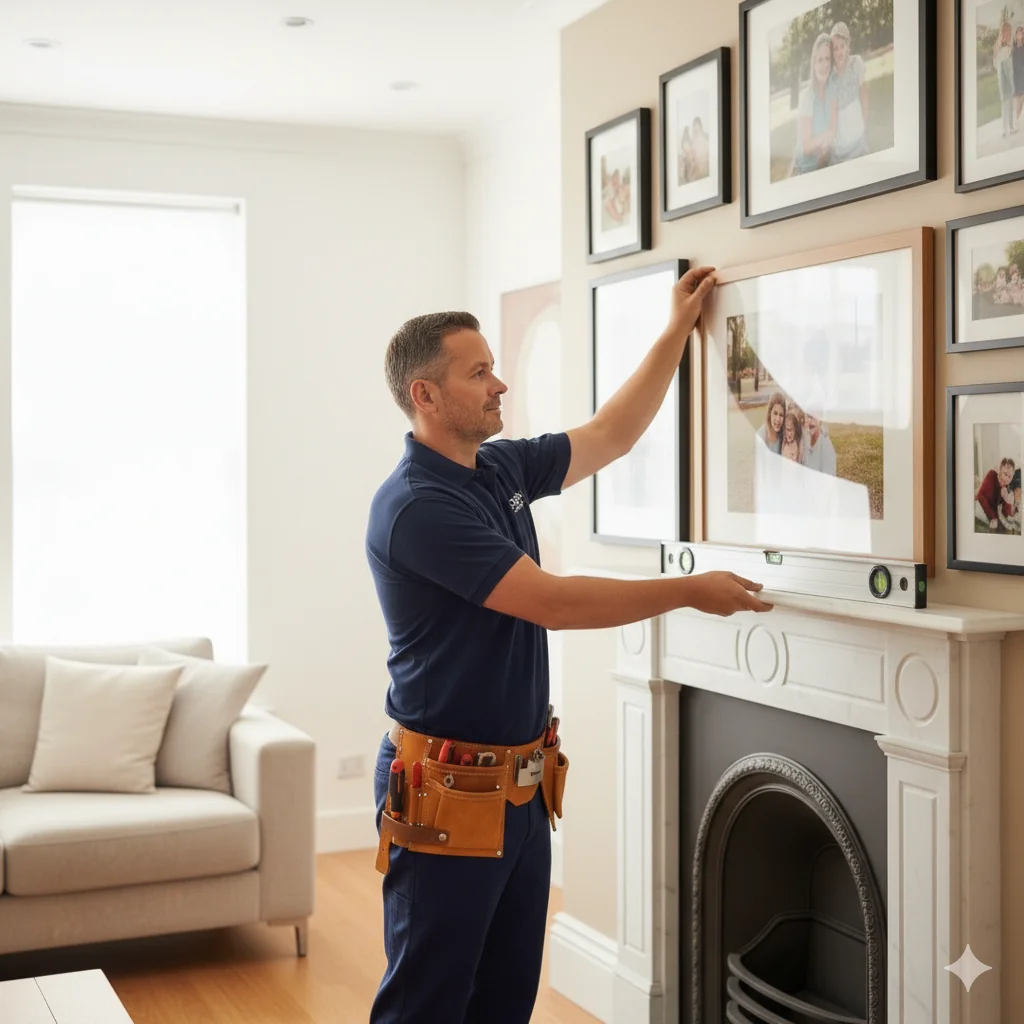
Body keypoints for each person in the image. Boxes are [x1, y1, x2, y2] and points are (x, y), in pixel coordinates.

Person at [364, 266, 772, 1023]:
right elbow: (551, 602)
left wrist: (676, 329)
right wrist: (686, 589)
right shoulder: (417, 508)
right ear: (425, 396)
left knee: (503, 999)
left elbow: (612, 434)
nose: (500, 384)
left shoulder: (498, 467)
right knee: (426, 1003)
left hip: (520, 785)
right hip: (446, 790)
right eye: (478, 371)